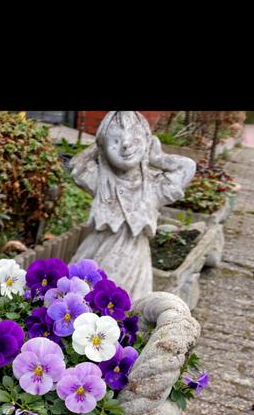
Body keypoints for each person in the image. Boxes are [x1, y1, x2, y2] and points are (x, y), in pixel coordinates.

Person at [70, 110, 196, 303]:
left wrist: (157, 157)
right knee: (80, 301)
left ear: (146, 141)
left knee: (128, 307)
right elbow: (76, 166)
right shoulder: (100, 180)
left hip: (134, 263)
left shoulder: (154, 186)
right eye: (115, 141)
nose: (126, 145)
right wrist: (99, 147)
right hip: (98, 254)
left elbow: (187, 167)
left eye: (135, 138)